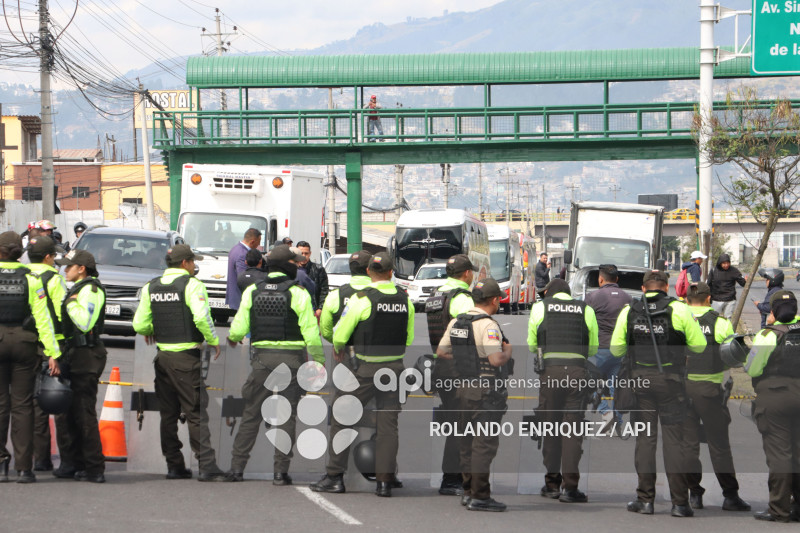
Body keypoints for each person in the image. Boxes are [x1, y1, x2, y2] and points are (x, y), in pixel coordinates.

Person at [311, 252, 414, 497]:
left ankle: (335, 476)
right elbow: (408, 339)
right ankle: (385, 482)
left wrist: (339, 349)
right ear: (391, 273)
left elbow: (339, 335)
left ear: (369, 272)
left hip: (364, 371)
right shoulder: (405, 299)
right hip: (394, 370)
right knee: (389, 427)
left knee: (342, 417)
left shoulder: (361, 300)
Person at [610, 270, 707, 517]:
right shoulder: (680, 309)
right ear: (667, 287)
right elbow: (699, 346)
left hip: (641, 383)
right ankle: (680, 504)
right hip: (671, 383)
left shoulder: (629, 311)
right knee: (675, 441)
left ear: (643, 288)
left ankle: (645, 500)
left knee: (645, 440)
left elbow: (616, 349)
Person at [227, 244, 324, 484]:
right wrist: (319, 361)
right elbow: (311, 333)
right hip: (291, 362)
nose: (298, 265)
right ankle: (280, 473)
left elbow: (239, 327)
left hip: (261, 360)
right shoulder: (298, 293)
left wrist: (233, 338)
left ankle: (237, 468)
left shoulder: (253, 291)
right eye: (294, 262)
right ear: (285, 266)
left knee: (251, 414)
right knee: (286, 417)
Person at [132, 244, 229, 482]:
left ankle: (174, 465)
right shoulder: (192, 285)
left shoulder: (150, 287)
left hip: (163, 358)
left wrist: (154, 329)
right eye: (193, 262)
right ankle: (207, 466)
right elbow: (201, 316)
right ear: (185, 263)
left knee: (169, 414)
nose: (194, 266)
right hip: (186, 358)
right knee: (196, 413)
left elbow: (140, 325)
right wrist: (213, 339)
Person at [436, 278, 512, 512]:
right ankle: (480, 495)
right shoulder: (488, 325)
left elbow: (441, 351)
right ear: (493, 300)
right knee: (484, 444)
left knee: (466, 442)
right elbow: (495, 359)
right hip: (484, 390)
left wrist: (463, 362)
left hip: (462, 389)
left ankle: (468, 491)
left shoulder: (458, 322)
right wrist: (507, 351)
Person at [527, 278, 599, 503]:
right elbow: (594, 347)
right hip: (577, 373)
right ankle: (571, 488)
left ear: (549, 293)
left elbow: (531, 345)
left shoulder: (540, 307)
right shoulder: (585, 309)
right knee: (572, 429)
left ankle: (551, 484)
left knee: (549, 425)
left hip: (551, 372)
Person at [682, 282, 750, 512]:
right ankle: (730, 495)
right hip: (710, 391)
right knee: (719, 445)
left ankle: (694, 494)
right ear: (709, 298)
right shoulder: (719, 323)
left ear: (687, 300)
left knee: (688, 445)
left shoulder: (678, 320)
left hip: (682, 389)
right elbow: (735, 356)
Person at [0, 231, 60, 483]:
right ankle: (24, 468)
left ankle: (1, 464)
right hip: (25, 343)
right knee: (23, 405)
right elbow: (43, 318)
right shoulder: (32, 279)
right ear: (20, 253)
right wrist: (52, 352)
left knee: (0, 404)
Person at [746, 289, 800, 522]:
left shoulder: (769, 335)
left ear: (775, 311)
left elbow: (753, 368)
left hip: (775, 398)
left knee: (780, 454)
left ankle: (779, 508)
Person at [54, 249, 107, 483]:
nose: (65, 270)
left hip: (87, 355)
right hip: (73, 353)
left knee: (84, 412)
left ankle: (94, 467)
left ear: (81, 269)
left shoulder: (90, 290)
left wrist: (71, 304)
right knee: (67, 412)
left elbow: (85, 322)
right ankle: (72, 463)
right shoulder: (76, 289)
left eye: (69, 266)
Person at [426, 254, 477, 496]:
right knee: (461, 423)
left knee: (453, 421)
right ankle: (452, 478)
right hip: (459, 367)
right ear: (466, 274)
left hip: (440, 364)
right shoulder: (462, 298)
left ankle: (453, 476)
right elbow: (470, 334)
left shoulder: (436, 294)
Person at [26, 236, 68, 472]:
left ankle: (39, 458)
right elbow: (61, 315)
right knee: (57, 399)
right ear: (48, 257)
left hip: (25, 344)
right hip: (51, 346)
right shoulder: (53, 279)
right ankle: (66, 460)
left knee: (34, 403)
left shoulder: (23, 275)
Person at [585, 264, 632, 435]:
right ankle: (618, 421)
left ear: (600, 279)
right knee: (615, 386)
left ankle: (606, 412)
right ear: (617, 279)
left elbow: (586, 322)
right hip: (620, 350)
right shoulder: (628, 298)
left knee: (593, 383)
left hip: (600, 348)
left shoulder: (592, 297)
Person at [319, 250, 372, 344]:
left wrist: (339, 344)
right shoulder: (382, 294)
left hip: (343, 353)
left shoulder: (335, 295)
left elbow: (326, 332)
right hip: (376, 353)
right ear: (370, 269)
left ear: (350, 268)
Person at [226, 228, 262, 311]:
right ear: (252, 241)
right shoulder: (243, 254)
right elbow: (244, 279)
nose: (259, 244)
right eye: (259, 241)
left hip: (235, 296)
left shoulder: (235, 249)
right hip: (241, 298)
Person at [706, 254, 746, 319]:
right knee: (715, 318)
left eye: (728, 263)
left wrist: (745, 280)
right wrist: (708, 296)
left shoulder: (734, 271)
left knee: (728, 319)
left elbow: (743, 283)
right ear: (720, 263)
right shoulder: (714, 271)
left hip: (730, 299)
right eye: (724, 263)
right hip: (716, 299)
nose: (726, 265)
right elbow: (708, 284)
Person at [296, 240, 329, 319]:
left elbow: (324, 290)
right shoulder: (291, 270)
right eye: (301, 253)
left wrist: (320, 309)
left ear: (310, 253)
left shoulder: (318, 269)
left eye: (306, 253)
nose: (304, 256)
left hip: (313, 311)